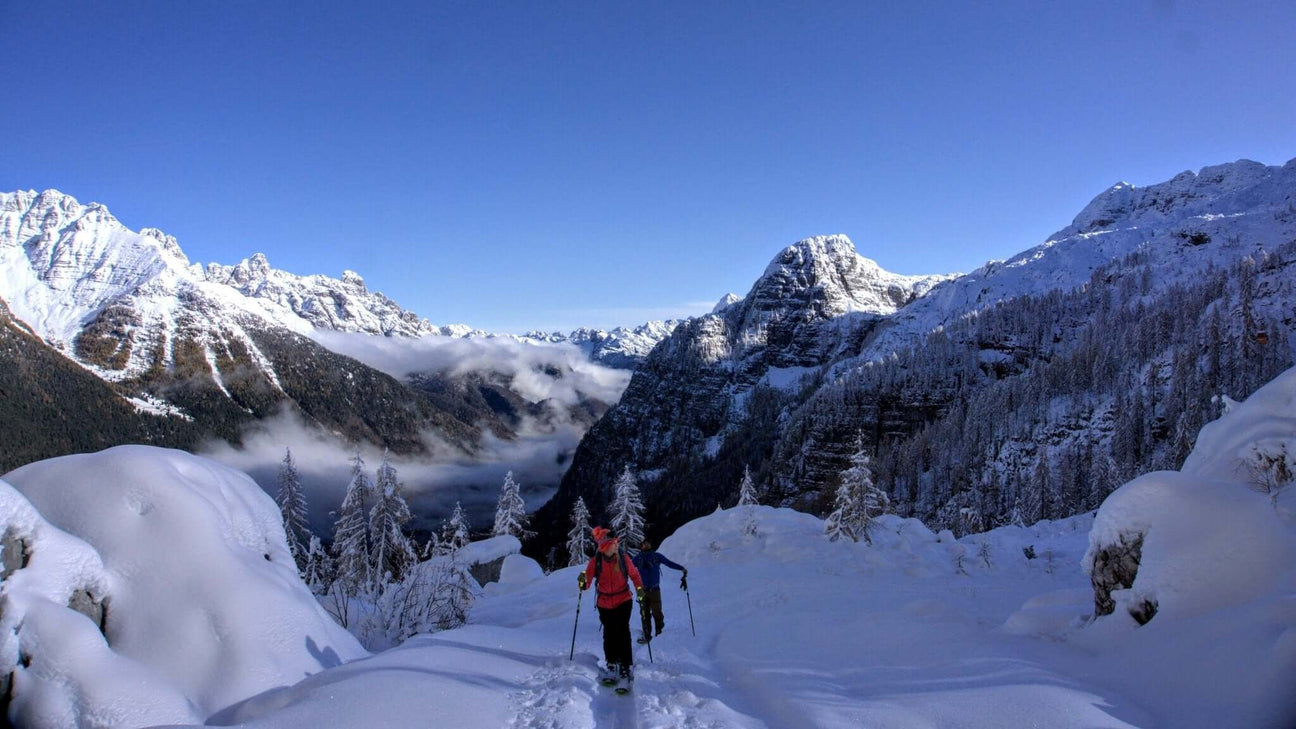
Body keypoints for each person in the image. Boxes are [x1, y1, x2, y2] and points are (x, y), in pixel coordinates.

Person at [578, 527, 645, 683]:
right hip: (604, 603)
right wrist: (582, 582)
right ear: (605, 546)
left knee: (623, 631)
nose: (617, 545)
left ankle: (626, 664)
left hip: (624, 600)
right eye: (614, 543)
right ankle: (612, 662)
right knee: (609, 633)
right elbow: (587, 583)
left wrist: (640, 590)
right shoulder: (596, 562)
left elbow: (635, 575)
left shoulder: (623, 558)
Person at [631, 539, 686, 643]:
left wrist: (681, 568)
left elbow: (669, 563)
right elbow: (627, 568)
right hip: (641, 589)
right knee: (644, 613)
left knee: (656, 612)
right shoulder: (639, 558)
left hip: (652, 589)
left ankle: (659, 634)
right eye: (644, 543)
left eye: (648, 543)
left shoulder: (654, 556)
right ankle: (648, 635)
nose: (646, 544)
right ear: (641, 546)